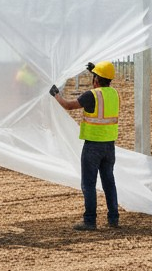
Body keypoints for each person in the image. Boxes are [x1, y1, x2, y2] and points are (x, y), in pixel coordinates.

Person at [50, 60, 120, 230]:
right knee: (109, 182)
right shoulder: (114, 94)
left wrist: (56, 94)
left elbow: (68, 105)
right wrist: (94, 71)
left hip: (93, 147)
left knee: (88, 184)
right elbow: (103, 86)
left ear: (96, 79)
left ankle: (89, 221)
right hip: (109, 147)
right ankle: (113, 218)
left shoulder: (92, 95)